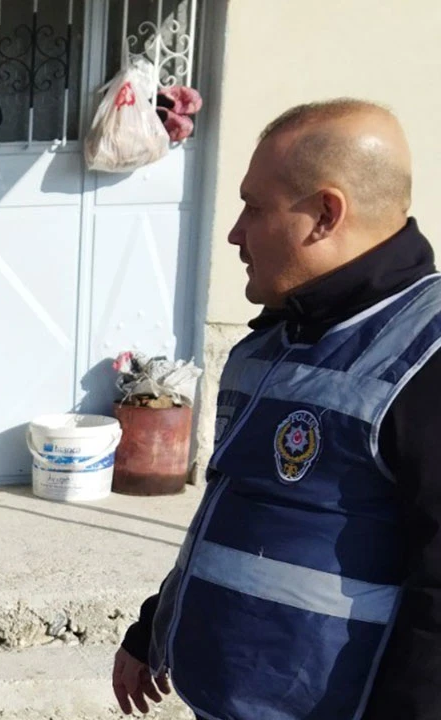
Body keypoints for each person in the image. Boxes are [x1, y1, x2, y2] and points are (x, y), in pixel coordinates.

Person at [112, 99, 441, 719]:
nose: (235, 232)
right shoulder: (271, 343)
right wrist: (154, 626)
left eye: (254, 208)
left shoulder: (425, 358)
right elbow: (233, 510)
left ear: (324, 215)